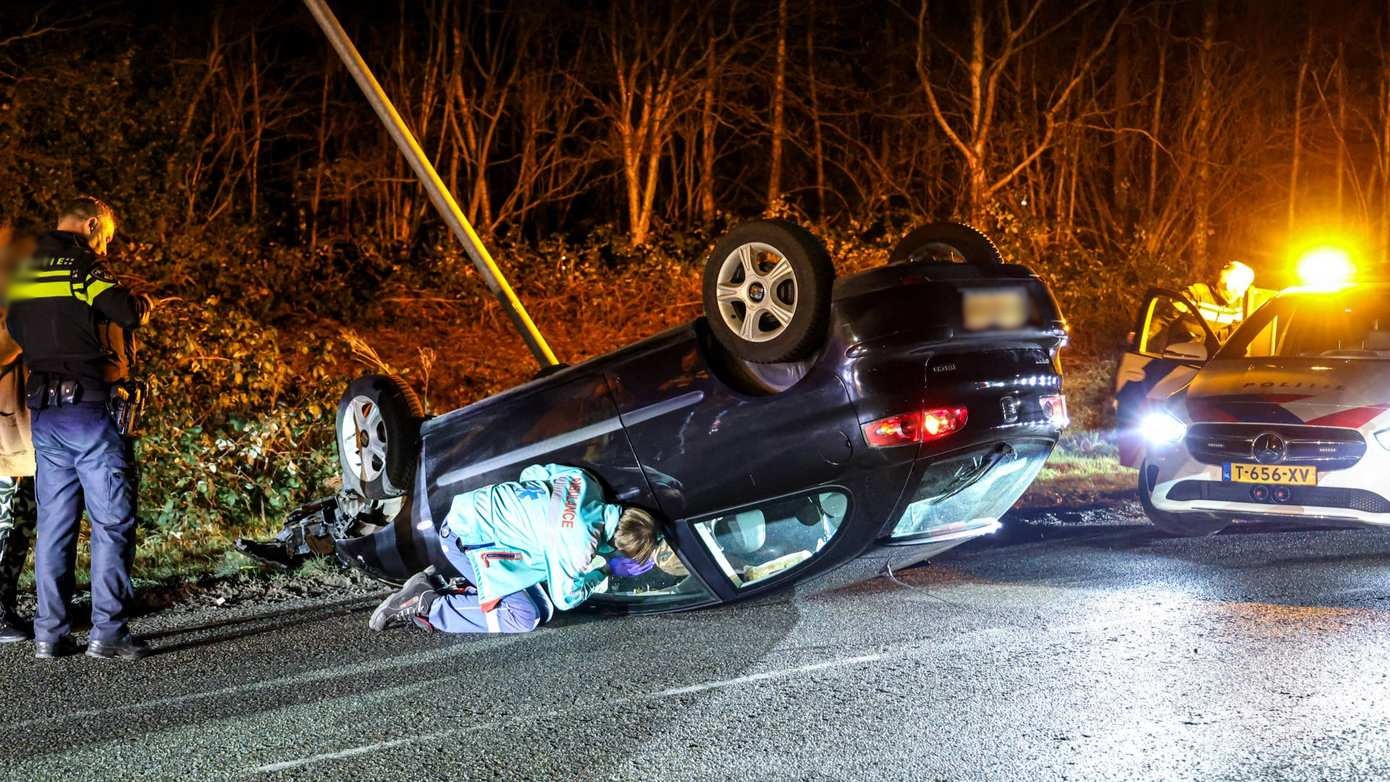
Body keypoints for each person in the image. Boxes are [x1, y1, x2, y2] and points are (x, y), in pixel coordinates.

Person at [6, 196, 152, 660]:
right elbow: (126, 312)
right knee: (111, 522)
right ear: (91, 225)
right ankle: (108, 633)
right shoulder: (84, 267)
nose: (105, 247)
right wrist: (141, 305)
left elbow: (14, 326)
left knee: (55, 524)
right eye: (105, 236)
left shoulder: (25, 272)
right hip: (89, 410)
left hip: (44, 414)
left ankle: (50, 633)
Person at [370, 463, 662, 635]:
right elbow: (566, 598)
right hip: (463, 539)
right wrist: (607, 569)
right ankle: (428, 605)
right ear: (619, 547)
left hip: (464, 511)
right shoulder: (579, 544)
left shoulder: (586, 483)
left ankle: (439, 583)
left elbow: (531, 473)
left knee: (537, 592)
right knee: (524, 615)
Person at [0, 231, 36, 643]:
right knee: (6, 525)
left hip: (23, 436)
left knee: (20, 525)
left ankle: (6, 603)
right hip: (6, 440)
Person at [1184, 260, 1271, 341]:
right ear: (1221, 285)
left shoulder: (1237, 305)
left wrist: (1208, 337)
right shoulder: (1196, 294)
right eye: (1235, 290)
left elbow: (1234, 335)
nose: (1240, 294)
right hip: (1189, 354)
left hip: (1216, 356)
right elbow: (1175, 322)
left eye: (1242, 290)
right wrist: (1201, 337)